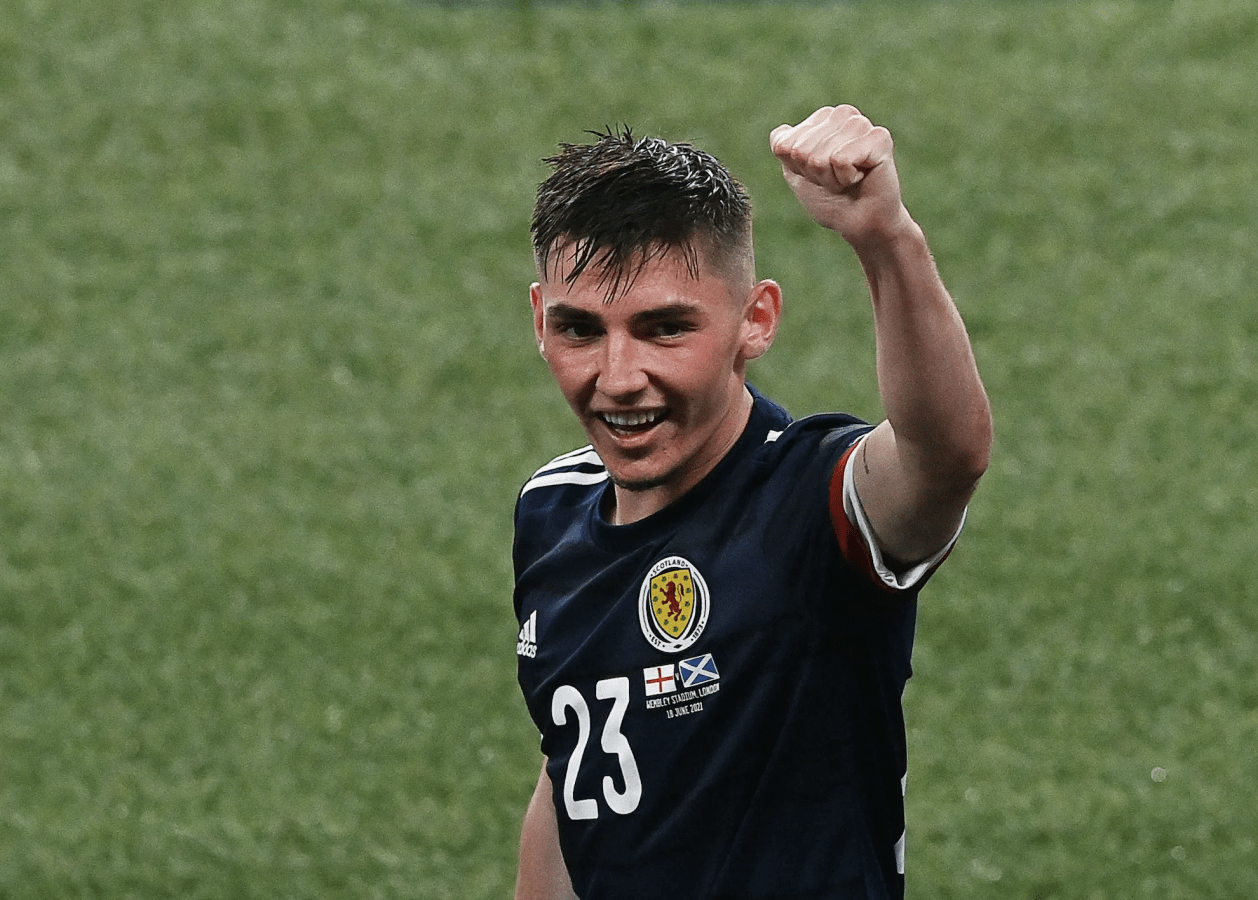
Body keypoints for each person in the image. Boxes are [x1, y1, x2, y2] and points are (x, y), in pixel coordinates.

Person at [511, 104, 992, 900]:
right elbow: (570, 777)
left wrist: (885, 238)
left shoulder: (809, 505)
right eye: (580, 331)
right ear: (540, 321)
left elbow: (945, 458)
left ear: (755, 320)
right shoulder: (550, 509)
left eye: (665, 329)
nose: (618, 378)